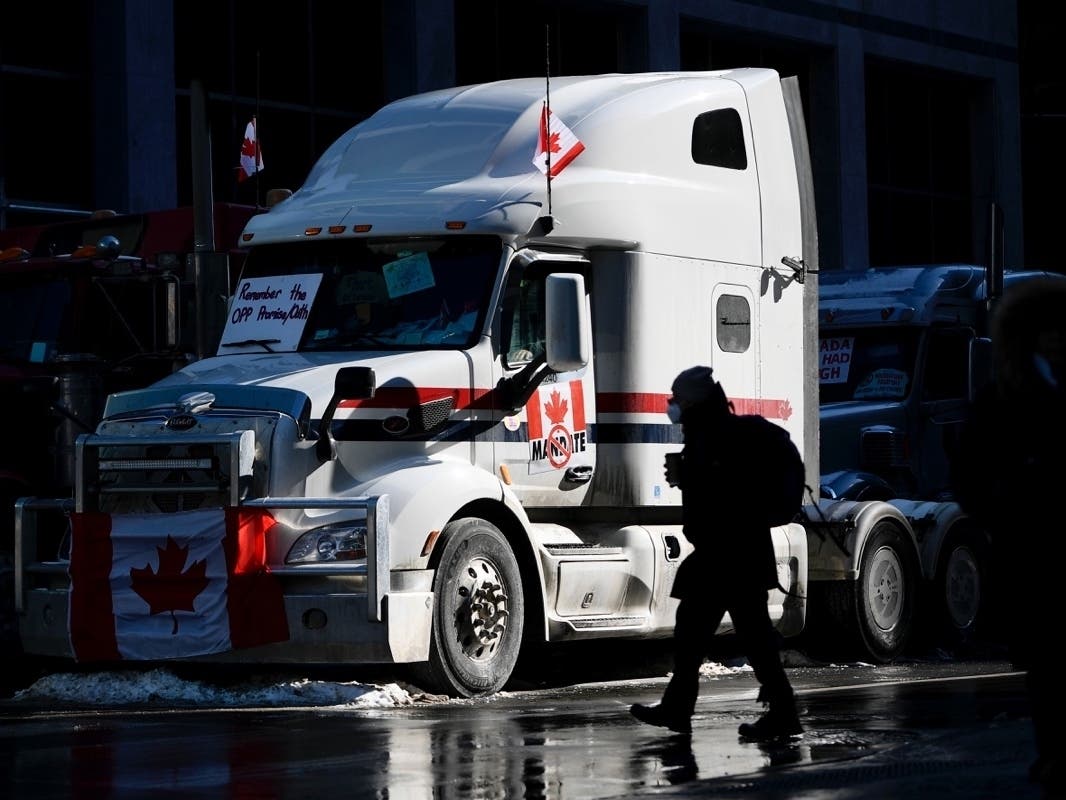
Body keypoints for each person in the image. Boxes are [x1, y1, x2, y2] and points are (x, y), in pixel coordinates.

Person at [630, 365, 802, 740]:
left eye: (676, 401)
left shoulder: (715, 435)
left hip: (729, 555)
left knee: (727, 636)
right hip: (730, 554)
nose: (672, 408)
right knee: (702, 633)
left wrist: (687, 476)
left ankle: (782, 713)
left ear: (692, 401)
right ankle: (683, 708)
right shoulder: (713, 431)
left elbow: (723, 493)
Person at [951, 277, 1066, 797]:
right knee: (1049, 663)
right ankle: (1055, 753)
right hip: (1036, 552)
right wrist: (1014, 504)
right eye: (1051, 332)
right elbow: (970, 478)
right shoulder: (1003, 399)